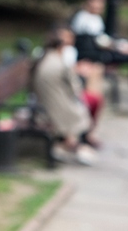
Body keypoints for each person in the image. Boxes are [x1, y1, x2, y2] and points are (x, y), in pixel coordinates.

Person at [30, 25, 99, 165]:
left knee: (86, 103)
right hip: (51, 106)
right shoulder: (59, 61)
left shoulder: (45, 56)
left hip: (45, 100)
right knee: (84, 105)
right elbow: (75, 88)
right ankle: (74, 145)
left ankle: (70, 144)